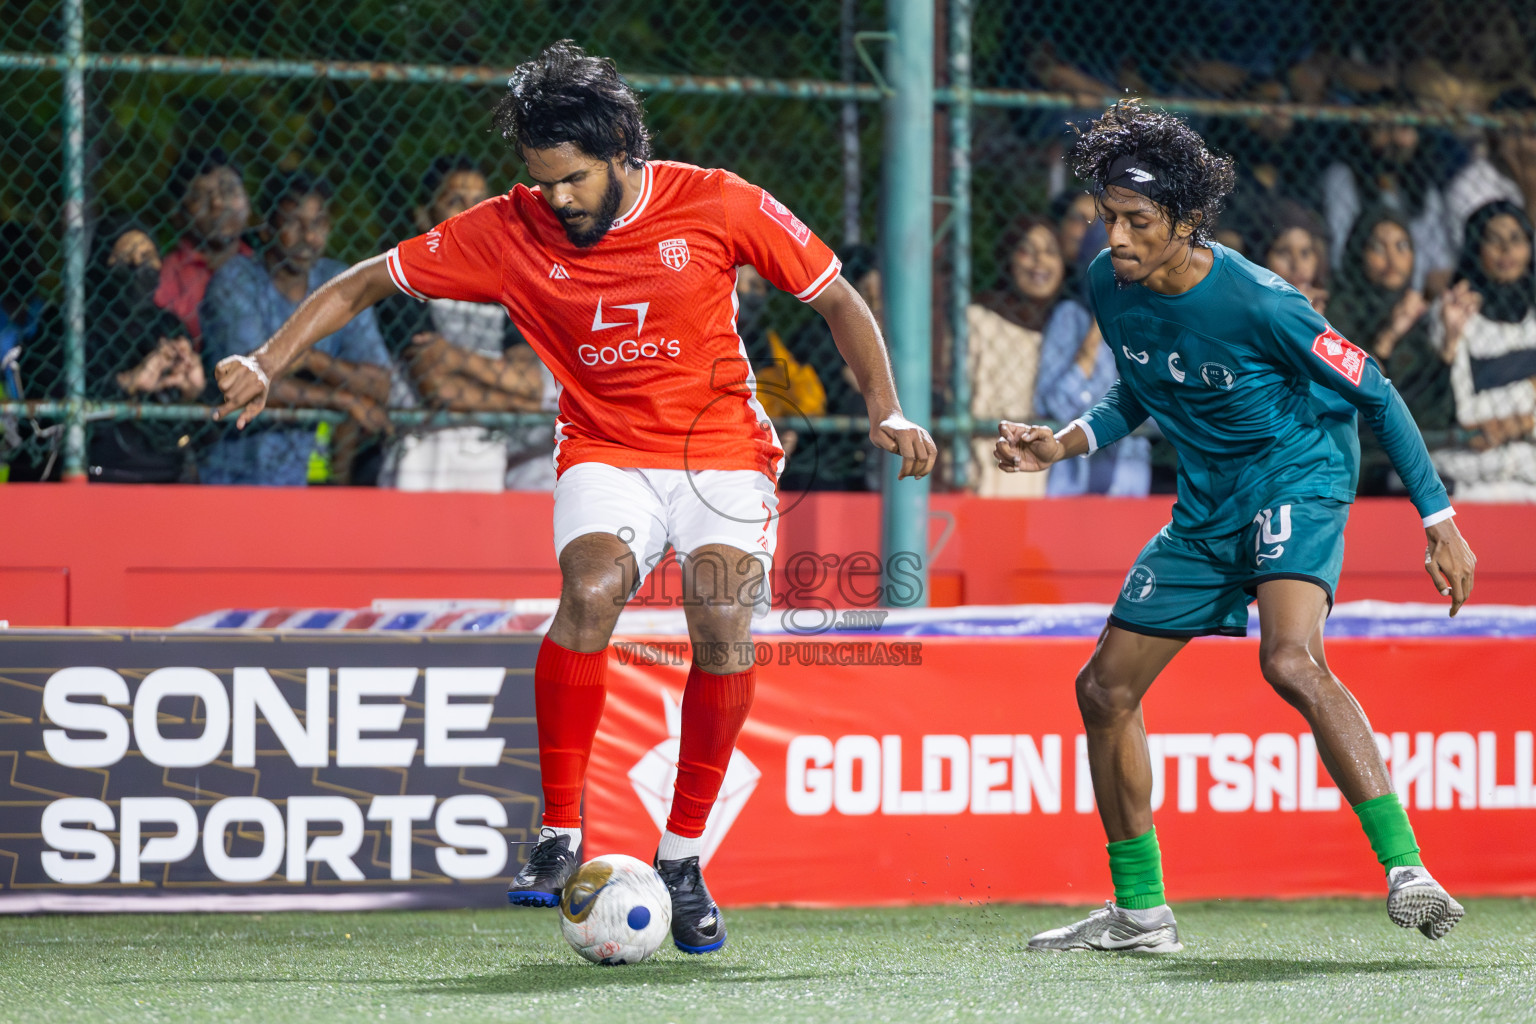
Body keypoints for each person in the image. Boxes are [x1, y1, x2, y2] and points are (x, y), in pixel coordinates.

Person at [211, 41, 935, 951]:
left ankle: (682, 858)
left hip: (721, 452)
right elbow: (366, 279)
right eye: (543, 181)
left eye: (574, 180)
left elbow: (837, 299)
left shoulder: (715, 199)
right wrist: (265, 361)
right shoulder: (508, 228)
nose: (556, 199)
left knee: (720, 621)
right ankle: (560, 830)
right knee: (589, 593)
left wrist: (889, 411)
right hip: (605, 448)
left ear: (627, 147)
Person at [995, 101, 1475, 954]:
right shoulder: (1112, 282)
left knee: (1289, 658)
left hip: (1298, 474)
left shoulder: (1263, 301)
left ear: (1184, 222)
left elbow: (1377, 390)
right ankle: (1141, 915)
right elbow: (1141, 387)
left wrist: (1438, 519)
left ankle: (1409, 871)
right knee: (1102, 691)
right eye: (1109, 218)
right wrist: (1061, 444)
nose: (1117, 237)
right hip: (1209, 503)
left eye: (1138, 221)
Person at [200, 172, 393, 486]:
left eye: (318, 223)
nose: (309, 236)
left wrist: (310, 360)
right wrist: (343, 400)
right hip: (233, 473)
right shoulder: (235, 281)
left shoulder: (337, 281)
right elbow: (246, 383)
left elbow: (380, 383)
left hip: (310, 481)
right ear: (268, 228)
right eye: (293, 223)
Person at [377, 156, 556, 491]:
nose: (469, 214)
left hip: (484, 472)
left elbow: (529, 383)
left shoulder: (502, 294)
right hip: (417, 469)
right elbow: (437, 388)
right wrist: (514, 398)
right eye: (454, 201)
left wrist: (455, 358)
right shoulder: (405, 288)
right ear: (423, 215)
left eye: (478, 203)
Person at [1327, 208, 1454, 495]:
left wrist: (1449, 346)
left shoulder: (1421, 316)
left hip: (1416, 447)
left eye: (1401, 246)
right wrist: (1390, 334)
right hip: (1357, 446)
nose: (1392, 259)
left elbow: (1435, 413)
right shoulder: (1340, 311)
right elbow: (1349, 393)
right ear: (1358, 253)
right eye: (1377, 247)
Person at [968, 216, 1093, 497]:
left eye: (1050, 252)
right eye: (1027, 250)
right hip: (982, 472)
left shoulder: (1067, 327)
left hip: (1044, 480)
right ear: (1008, 258)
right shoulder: (980, 319)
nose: (1039, 262)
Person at [1429, 200, 1536, 500]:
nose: (1506, 251)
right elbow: (1465, 413)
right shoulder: (1455, 311)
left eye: (1516, 239)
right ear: (1476, 248)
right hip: (1469, 473)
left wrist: (1513, 421)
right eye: (1494, 239)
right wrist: (1528, 400)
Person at [1320, 109, 1458, 296]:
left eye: (1404, 127)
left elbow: (1441, 267)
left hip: (1416, 300)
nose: (1394, 139)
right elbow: (1340, 257)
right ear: (1364, 133)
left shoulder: (1424, 188)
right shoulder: (1343, 178)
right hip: (1363, 294)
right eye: (1383, 128)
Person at [154, 148, 254, 344]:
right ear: (179, 215)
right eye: (200, 197)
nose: (217, 203)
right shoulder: (167, 277)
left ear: (247, 201)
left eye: (228, 191)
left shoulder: (265, 264)